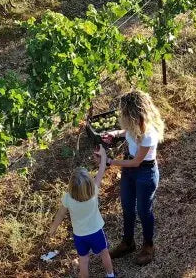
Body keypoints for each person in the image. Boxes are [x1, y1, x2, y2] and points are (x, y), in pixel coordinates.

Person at [98, 90, 165, 266]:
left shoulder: (149, 134)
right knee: (127, 207)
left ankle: (148, 245)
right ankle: (128, 242)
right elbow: (127, 131)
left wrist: (109, 161)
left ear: (135, 114)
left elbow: (136, 162)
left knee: (144, 211)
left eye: (125, 113)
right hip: (129, 172)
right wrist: (115, 133)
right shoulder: (134, 124)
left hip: (145, 173)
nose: (122, 116)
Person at [47, 150, 117, 278]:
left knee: (83, 260)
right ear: (89, 184)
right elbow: (101, 170)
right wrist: (103, 156)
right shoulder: (94, 191)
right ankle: (110, 274)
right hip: (96, 232)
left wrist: (53, 229)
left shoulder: (68, 198)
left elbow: (60, 215)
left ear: (71, 186)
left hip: (80, 235)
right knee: (104, 253)